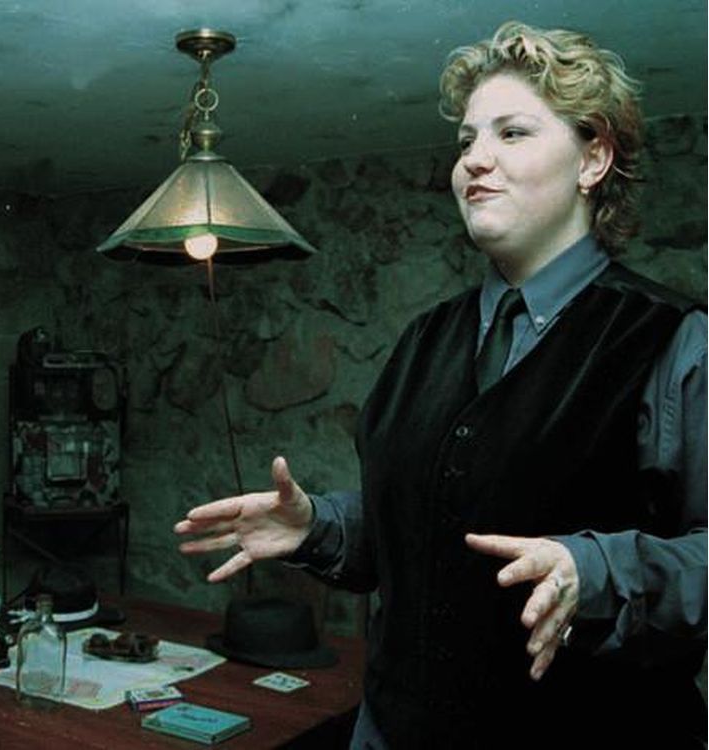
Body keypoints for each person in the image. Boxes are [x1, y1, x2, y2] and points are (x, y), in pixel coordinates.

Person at [176, 21, 707, 750]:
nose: (474, 162)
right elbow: (433, 523)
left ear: (594, 159)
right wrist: (317, 527)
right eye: (465, 141)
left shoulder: (669, 338)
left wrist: (595, 568)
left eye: (512, 133)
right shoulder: (426, 337)